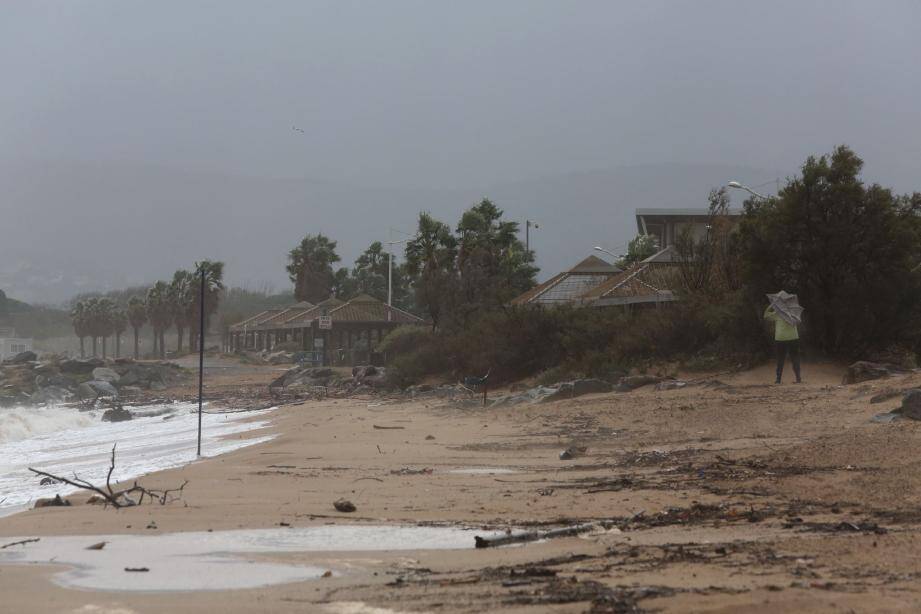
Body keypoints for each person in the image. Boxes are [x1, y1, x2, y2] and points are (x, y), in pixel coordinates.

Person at [764, 303, 801, 384]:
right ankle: (798, 378)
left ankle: (778, 379)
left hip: (781, 338)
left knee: (780, 359)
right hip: (793, 337)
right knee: (795, 358)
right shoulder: (793, 313)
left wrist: (771, 305)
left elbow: (766, 315)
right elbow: (798, 321)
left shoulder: (777, 313)